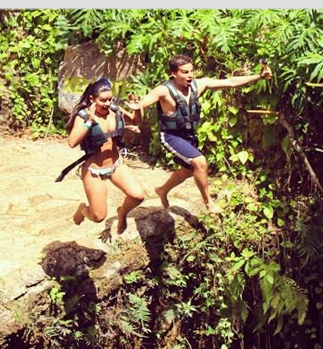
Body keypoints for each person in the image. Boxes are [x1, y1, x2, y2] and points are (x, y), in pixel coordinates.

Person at [131, 54, 272, 213]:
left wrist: (259, 76)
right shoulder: (163, 91)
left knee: (188, 171)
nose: (190, 75)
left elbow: (231, 82)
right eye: (184, 72)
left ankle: (162, 190)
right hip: (171, 136)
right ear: (173, 73)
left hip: (189, 135)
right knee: (200, 162)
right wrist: (136, 106)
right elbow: (141, 105)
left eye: (191, 71)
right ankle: (208, 203)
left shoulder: (199, 84)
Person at [66, 77, 144, 234]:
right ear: (92, 99)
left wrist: (137, 108)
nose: (107, 104)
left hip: (115, 164)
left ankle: (122, 213)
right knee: (98, 216)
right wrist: (90, 122)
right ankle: (82, 210)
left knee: (138, 196)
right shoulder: (84, 116)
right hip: (93, 170)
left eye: (110, 99)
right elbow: (72, 142)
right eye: (103, 100)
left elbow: (136, 122)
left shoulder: (114, 111)